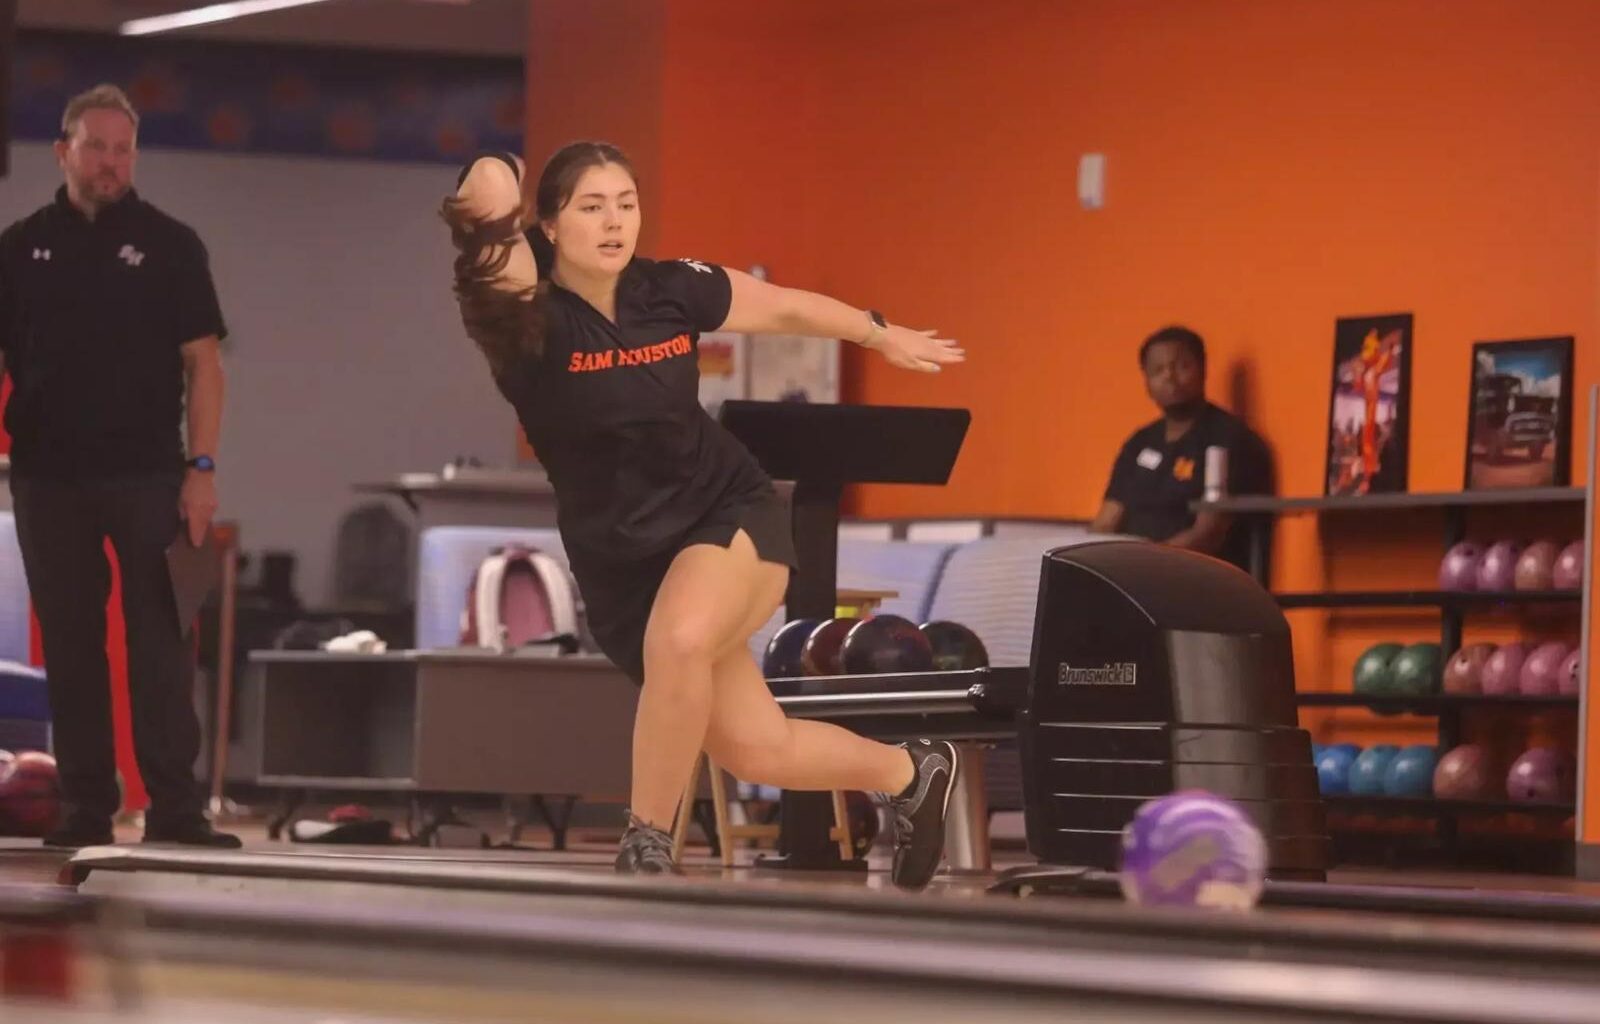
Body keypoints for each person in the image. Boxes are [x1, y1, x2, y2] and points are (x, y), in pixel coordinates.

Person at [441, 144, 963, 887]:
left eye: (626, 202)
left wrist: (879, 333)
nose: (615, 221)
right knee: (756, 749)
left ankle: (647, 842)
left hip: (726, 514)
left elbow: (781, 304)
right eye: (592, 207)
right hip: (621, 561)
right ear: (547, 229)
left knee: (681, 639)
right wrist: (501, 166)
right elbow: (486, 201)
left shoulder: (671, 289)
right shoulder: (522, 318)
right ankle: (909, 771)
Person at [0, 85, 238, 849]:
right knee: (70, 646)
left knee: (162, 645)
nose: (111, 163)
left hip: (149, 475)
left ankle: (176, 810)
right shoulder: (19, 246)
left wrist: (202, 468)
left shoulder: (173, 245)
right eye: (96, 147)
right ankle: (83, 807)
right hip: (45, 475)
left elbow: (205, 365)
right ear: (63, 151)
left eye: (123, 149)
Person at [1089, 325, 1272, 571]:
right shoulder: (1140, 442)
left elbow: (1208, 535)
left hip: (1193, 576)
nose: (1169, 377)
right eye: (1158, 370)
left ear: (1203, 369)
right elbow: (1107, 520)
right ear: (1146, 380)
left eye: (1181, 366)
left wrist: (1143, 562)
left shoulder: (1229, 438)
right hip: (1131, 573)